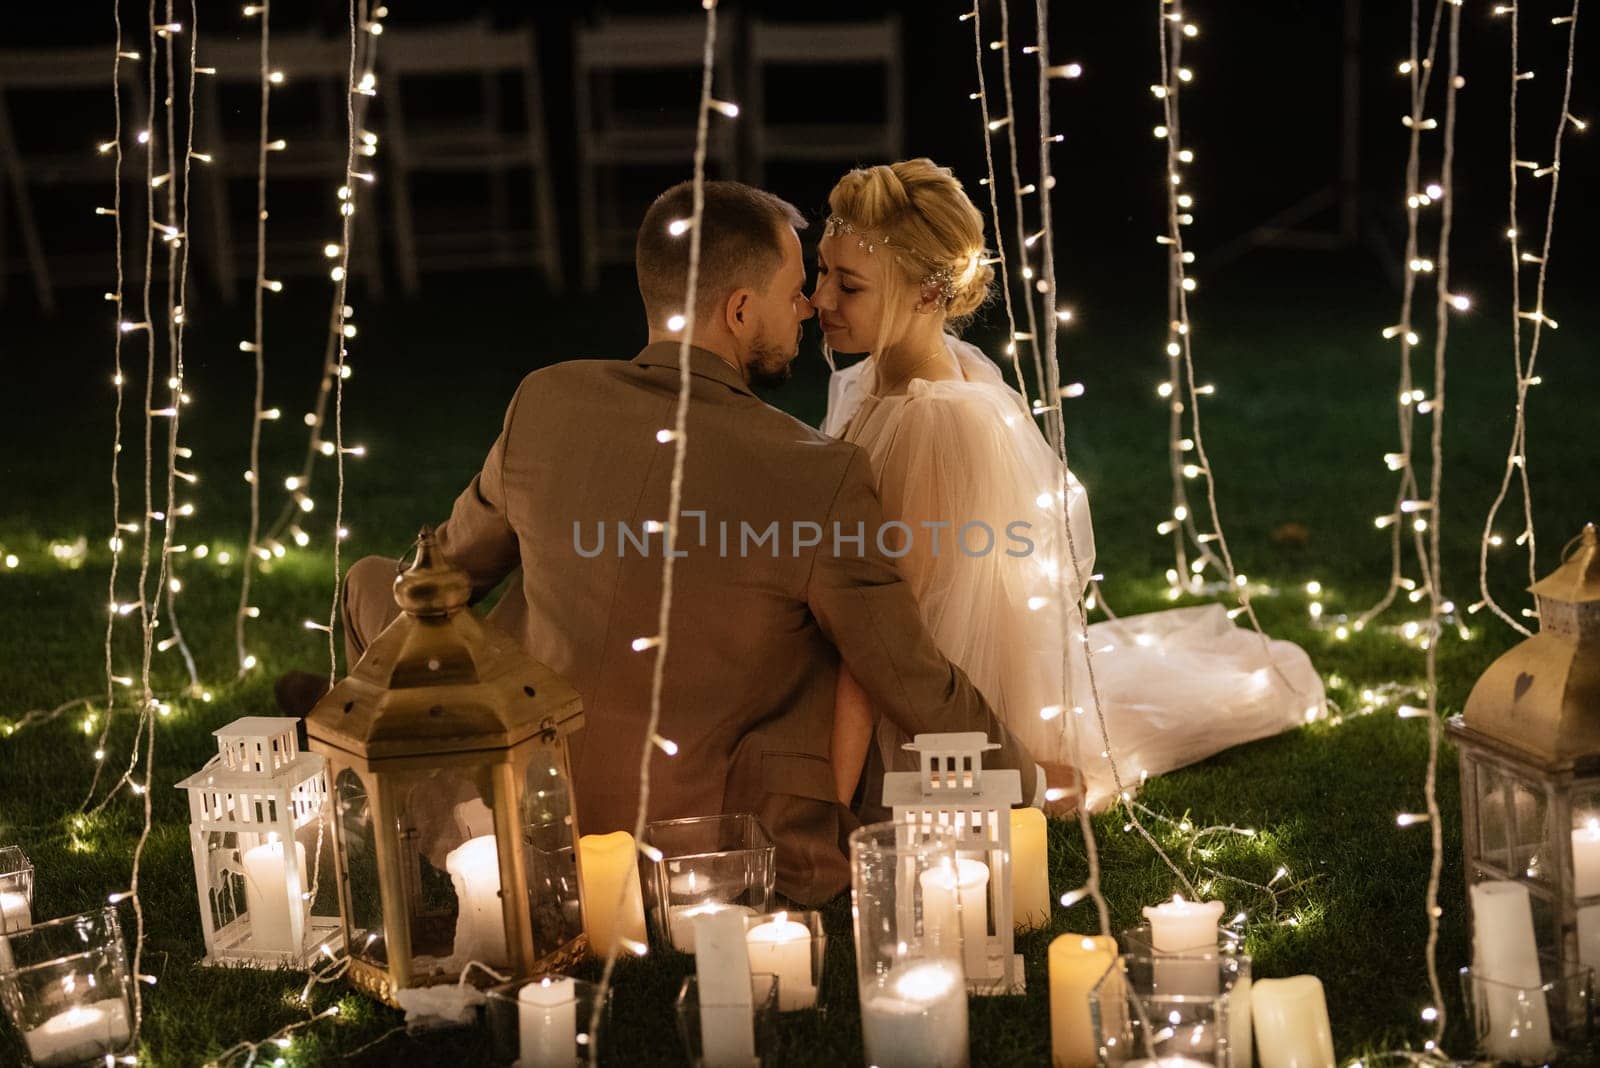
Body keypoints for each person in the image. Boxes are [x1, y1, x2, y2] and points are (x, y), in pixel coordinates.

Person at [289, 179, 1048, 906]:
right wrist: (1031, 777)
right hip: (709, 839)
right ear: (741, 309)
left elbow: (440, 580)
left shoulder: (545, 400)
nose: (809, 312)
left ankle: (374, 743)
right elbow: (906, 671)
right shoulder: (820, 474)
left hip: (521, 808)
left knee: (372, 581)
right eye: (794, 294)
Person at [813, 159, 1325, 812]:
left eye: (848, 285)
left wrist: (829, 796)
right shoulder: (881, 375)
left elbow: (890, 631)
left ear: (928, 295)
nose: (821, 299)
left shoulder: (935, 420)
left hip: (933, 695)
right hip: (885, 649)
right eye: (823, 270)